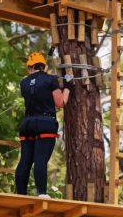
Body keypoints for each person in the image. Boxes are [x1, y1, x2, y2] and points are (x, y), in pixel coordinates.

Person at [15, 52, 72, 198]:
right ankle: (41, 193)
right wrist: (67, 87)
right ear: (43, 66)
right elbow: (60, 103)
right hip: (45, 123)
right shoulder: (50, 80)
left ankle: (20, 194)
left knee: (25, 161)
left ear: (30, 67)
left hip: (27, 124)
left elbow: (36, 94)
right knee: (40, 159)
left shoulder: (24, 83)